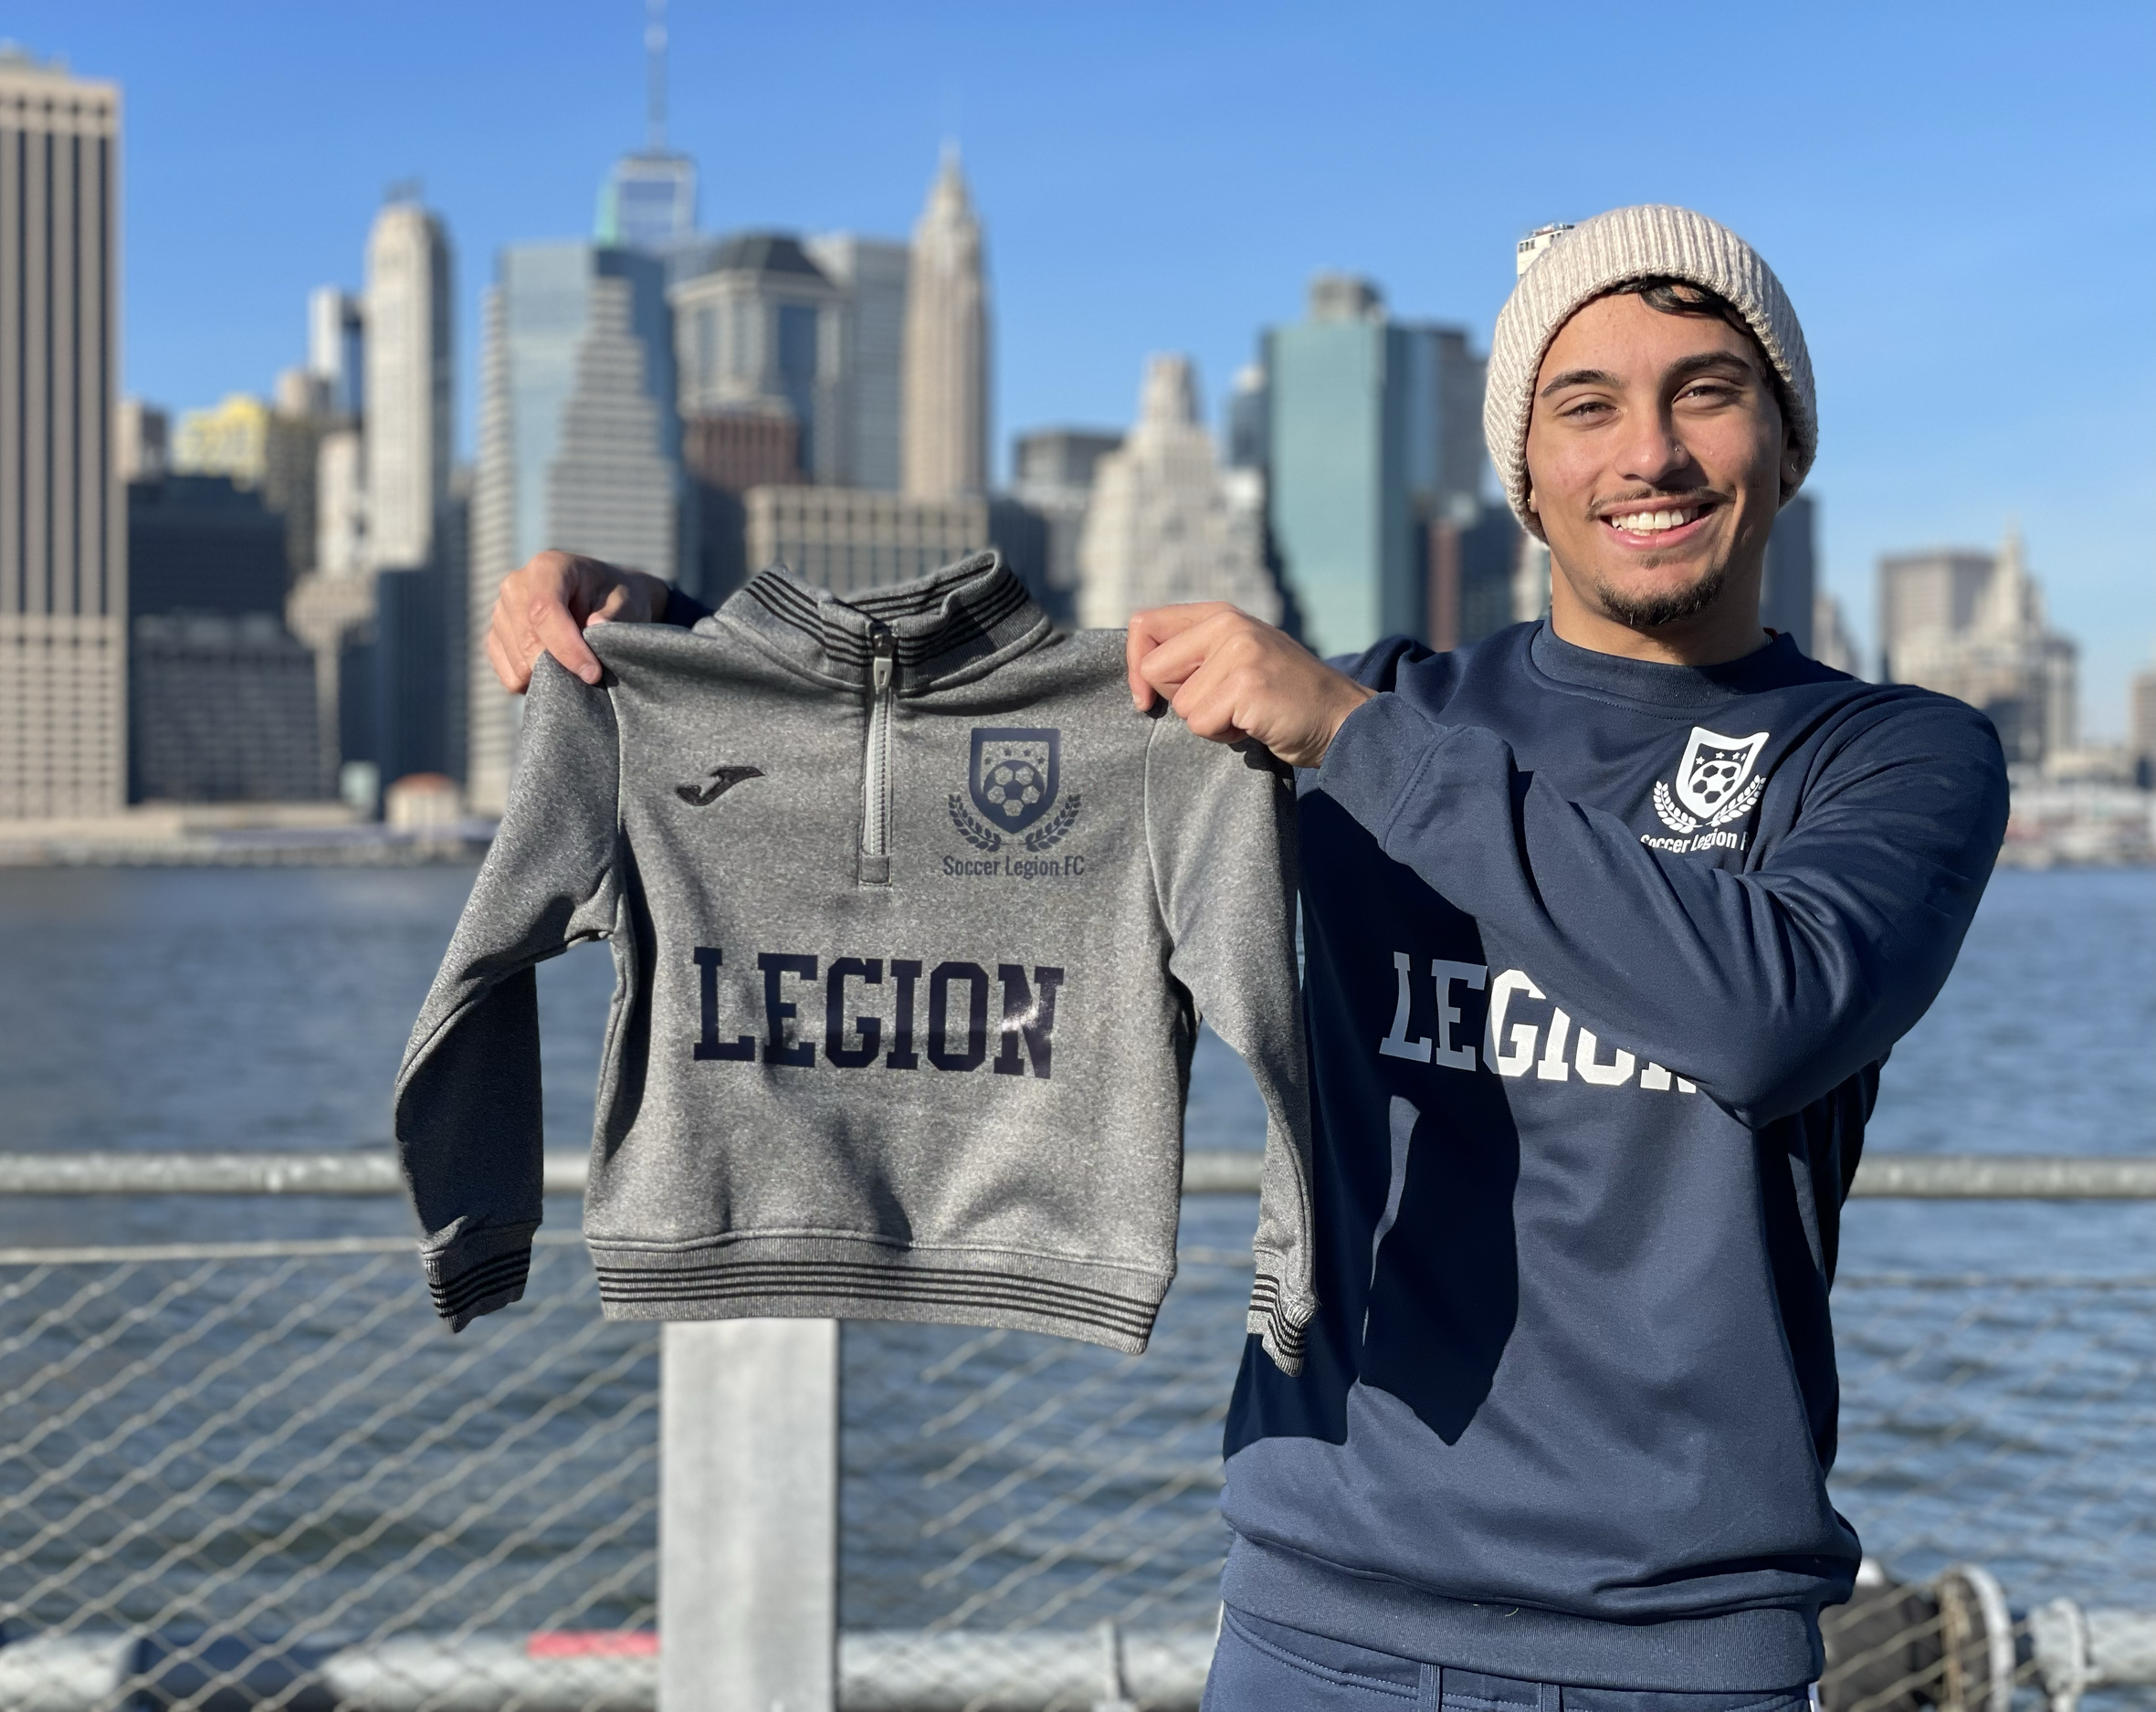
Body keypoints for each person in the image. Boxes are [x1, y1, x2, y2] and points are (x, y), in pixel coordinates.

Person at [484, 205, 2008, 1709]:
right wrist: (671, 648)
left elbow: (1770, 1011)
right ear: (1526, 477)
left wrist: (1355, 742)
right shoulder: (1383, 710)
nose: (1650, 453)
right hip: (1315, 1621)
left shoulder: (1889, 755)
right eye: (1587, 405)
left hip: (1677, 1649)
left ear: (1787, 445)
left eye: (1707, 393)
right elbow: (989, 771)